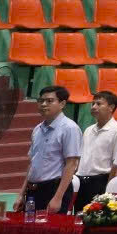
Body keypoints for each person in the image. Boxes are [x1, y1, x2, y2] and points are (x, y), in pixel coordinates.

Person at [22, 85, 82, 213]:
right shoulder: (37, 129)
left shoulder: (69, 128)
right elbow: (32, 164)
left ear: (62, 104)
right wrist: (21, 194)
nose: (44, 104)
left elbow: (71, 165)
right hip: (33, 191)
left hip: (54, 190)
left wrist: (58, 197)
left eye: (49, 101)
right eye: (41, 101)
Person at [78, 90, 117, 206]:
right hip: (81, 181)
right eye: (93, 104)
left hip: (100, 182)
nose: (94, 107)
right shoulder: (88, 130)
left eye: (98, 104)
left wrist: (108, 190)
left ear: (111, 107)